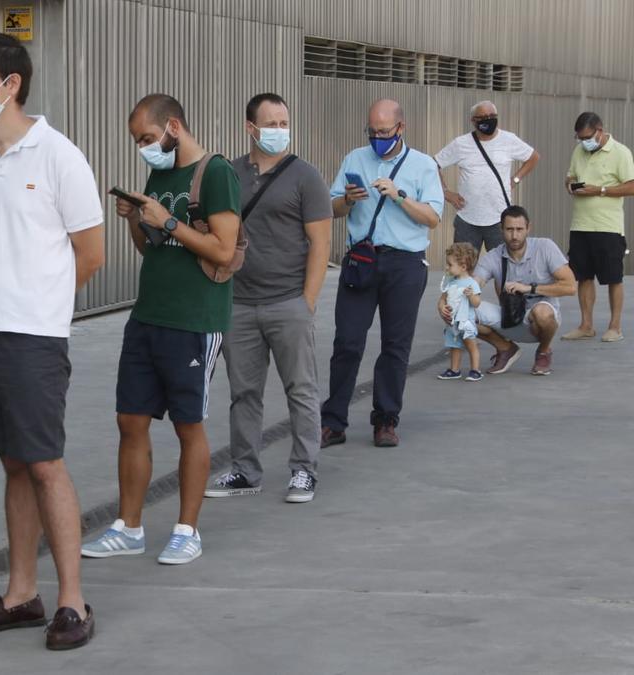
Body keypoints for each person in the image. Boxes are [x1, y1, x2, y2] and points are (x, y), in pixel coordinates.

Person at [0, 32, 105, 650]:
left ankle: (72, 601)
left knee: (45, 464)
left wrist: (44, 306)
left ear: (12, 84)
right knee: (14, 463)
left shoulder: (58, 155)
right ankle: (21, 595)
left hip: (32, 335)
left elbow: (89, 252)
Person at [81, 93, 240, 565]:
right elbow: (154, 249)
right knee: (129, 419)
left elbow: (224, 251)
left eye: (148, 138)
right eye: (138, 141)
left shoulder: (215, 173)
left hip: (194, 319)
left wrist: (166, 218)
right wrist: (136, 220)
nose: (144, 147)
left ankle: (186, 530)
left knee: (188, 425)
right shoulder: (160, 171)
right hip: (147, 315)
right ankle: (128, 527)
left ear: (174, 125)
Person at [205, 92, 331, 505]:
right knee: (244, 392)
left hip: (287, 301)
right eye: (271, 124)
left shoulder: (305, 176)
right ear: (250, 128)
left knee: (301, 389)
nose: (280, 131)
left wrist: (306, 301)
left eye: (284, 123)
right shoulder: (228, 174)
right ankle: (245, 469)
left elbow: (320, 243)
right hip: (238, 302)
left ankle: (304, 470)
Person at [322, 99, 444, 449]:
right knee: (347, 341)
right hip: (362, 259)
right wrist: (348, 199)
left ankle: (386, 420)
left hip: (404, 263)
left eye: (385, 132)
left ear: (401, 129)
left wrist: (399, 196)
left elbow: (433, 217)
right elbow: (332, 209)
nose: (378, 138)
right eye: (372, 131)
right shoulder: (354, 158)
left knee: (395, 345)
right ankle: (333, 421)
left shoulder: (423, 166)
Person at [441, 205, 577, 376]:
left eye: (519, 229)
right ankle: (505, 348)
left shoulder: (545, 247)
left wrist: (529, 288)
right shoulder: (493, 257)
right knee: (459, 309)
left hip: (542, 321)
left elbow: (571, 287)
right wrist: (446, 303)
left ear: (528, 228)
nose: (514, 236)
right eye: (509, 229)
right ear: (501, 229)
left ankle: (543, 351)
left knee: (542, 312)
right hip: (509, 318)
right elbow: (473, 283)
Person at [563, 112, 634, 343]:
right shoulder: (579, 151)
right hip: (580, 225)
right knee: (583, 276)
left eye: (587, 137)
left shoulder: (621, 152)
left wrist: (600, 190)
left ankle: (615, 327)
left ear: (600, 131)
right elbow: (570, 176)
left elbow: (631, 186)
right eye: (580, 138)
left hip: (608, 227)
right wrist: (571, 186)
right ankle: (586, 325)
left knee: (613, 277)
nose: (584, 142)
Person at [435, 100, 539, 251]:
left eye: (492, 115)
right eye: (482, 117)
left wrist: (515, 180)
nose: (488, 119)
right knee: (462, 269)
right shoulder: (461, 143)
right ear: (473, 121)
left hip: (499, 219)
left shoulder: (508, 140)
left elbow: (533, 157)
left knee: (504, 269)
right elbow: (433, 165)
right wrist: (446, 193)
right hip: (467, 219)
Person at [436, 243, 484, 382]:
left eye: (450, 264)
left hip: (466, 322)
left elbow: (477, 303)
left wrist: (471, 296)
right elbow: (442, 299)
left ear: (463, 267)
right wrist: (442, 307)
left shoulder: (471, 283)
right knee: (454, 346)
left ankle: (475, 370)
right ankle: (454, 369)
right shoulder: (450, 282)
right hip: (452, 323)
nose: (447, 267)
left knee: (471, 345)